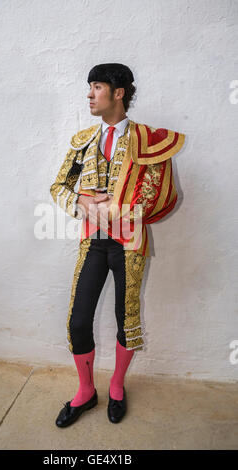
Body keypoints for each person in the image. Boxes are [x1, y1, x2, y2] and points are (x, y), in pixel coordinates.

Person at [50, 63, 185, 427]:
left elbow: (159, 197)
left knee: (126, 320)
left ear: (118, 92)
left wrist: (115, 207)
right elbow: (58, 187)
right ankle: (85, 391)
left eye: (96, 87)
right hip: (93, 242)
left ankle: (116, 386)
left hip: (129, 243)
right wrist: (81, 203)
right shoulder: (83, 141)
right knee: (79, 322)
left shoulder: (147, 139)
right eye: (89, 88)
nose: (90, 95)